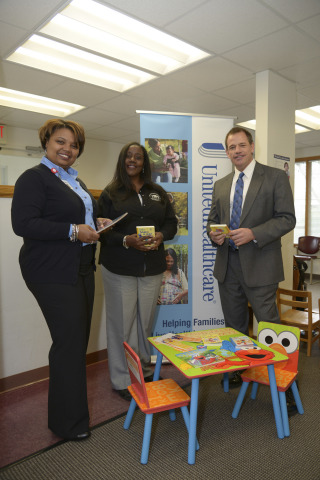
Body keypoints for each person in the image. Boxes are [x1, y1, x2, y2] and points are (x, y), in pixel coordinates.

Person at [11, 119, 109, 441]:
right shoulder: (34, 178)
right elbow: (23, 223)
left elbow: (72, 219)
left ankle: (66, 418)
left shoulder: (72, 181)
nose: (68, 149)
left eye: (74, 145)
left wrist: (95, 222)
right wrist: (73, 231)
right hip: (50, 271)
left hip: (81, 266)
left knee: (75, 343)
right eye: (60, 142)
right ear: (46, 143)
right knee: (69, 344)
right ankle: (70, 425)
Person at [206, 126, 296, 387]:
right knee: (233, 326)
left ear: (252, 146)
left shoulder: (275, 177)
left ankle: (285, 382)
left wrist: (253, 233)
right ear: (227, 152)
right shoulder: (221, 185)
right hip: (227, 266)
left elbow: (287, 218)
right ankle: (238, 371)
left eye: (241, 145)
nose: (237, 151)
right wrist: (214, 235)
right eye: (232, 147)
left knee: (270, 327)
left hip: (261, 265)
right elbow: (212, 222)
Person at [98, 142, 178, 401]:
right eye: (128, 156)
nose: (133, 160)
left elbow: (171, 223)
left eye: (138, 157)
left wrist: (161, 235)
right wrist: (126, 240)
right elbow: (101, 232)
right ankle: (122, 379)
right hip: (120, 268)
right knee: (121, 325)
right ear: (122, 161)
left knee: (143, 323)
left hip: (152, 268)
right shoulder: (110, 193)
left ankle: (141, 369)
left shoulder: (157, 191)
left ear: (145, 163)